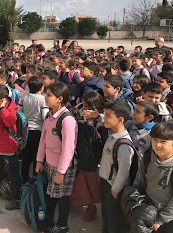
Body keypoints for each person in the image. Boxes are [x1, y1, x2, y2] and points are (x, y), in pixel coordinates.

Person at [35, 83, 78, 233]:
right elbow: (43, 139)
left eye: (49, 95)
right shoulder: (49, 115)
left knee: (63, 197)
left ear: (60, 99)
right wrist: (40, 160)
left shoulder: (67, 120)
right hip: (49, 163)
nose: (45, 97)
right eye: (46, 94)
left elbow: (68, 148)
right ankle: (49, 222)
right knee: (50, 195)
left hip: (62, 166)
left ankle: (62, 225)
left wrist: (61, 171)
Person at [98, 101, 134, 233]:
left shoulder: (124, 144)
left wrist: (115, 190)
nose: (104, 118)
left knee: (115, 221)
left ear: (120, 120)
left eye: (108, 116)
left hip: (113, 187)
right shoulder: (112, 135)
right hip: (105, 182)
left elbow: (124, 171)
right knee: (106, 216)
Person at [131, 122, 173, 232]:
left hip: (167, 219)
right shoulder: (147, 159)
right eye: (155, 140)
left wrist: (160, 220)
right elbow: (138, 184)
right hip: (147, 211)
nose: (158, 145)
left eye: (164, 141)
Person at [70, 91, 103, 222]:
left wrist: (96, 118)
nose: (84, 108)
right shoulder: (79, 111)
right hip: (78, 151)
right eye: (83, 105)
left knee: (90, 182)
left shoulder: (101, 118)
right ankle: (77, 201)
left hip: (92, 156)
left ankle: (91, 206)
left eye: (87, 106)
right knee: (78, 181)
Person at [18, 75, 48, 183]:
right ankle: (36, 178)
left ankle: (24, 177)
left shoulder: (23, 97)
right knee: (37, 155)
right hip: (37, 131)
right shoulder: (42, 99)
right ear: (42, 87)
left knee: (26, 155)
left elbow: (19, 112)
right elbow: (45, 116)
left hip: (26, 130)